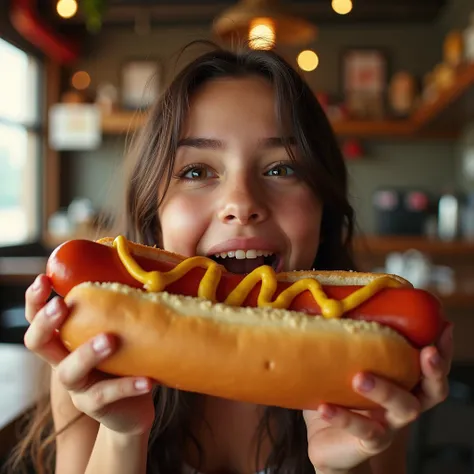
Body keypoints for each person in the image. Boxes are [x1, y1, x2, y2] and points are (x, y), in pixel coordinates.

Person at [10, 42, 452, 474]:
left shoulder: (372, 372)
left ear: (324, 205)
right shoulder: (88, 361)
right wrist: (123, 436)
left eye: (281, 168)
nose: (241, 203)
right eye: (197, 171)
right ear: (153, 210)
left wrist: (341, 470)